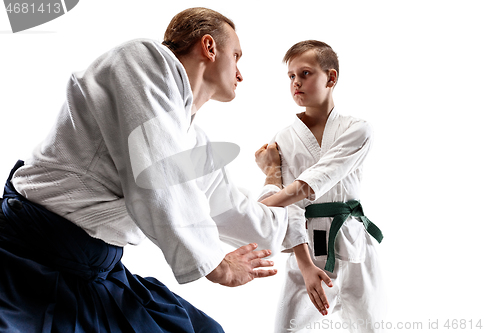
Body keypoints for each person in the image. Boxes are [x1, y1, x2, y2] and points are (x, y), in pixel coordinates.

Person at [0, 7, 286, 333]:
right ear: (209, 47)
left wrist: (276, 179)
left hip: (96, 272)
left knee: (203, 329)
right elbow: (158, 180)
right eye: (236, 56)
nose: (240, 73)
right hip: (28, 254)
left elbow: (238, 213)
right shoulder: (141, 61)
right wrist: (216, 265)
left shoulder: (192, 141)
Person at [257, 40, 385, 333]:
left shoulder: (358, 129)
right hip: (307, 248)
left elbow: (314, 182)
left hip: (355, 249)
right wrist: (304, 266)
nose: (296, 83)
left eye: (305, 73)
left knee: (372, 328)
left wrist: (259, 206)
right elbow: (291, 207)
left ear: (331, 77)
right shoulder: (284, 138)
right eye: (291, 76)